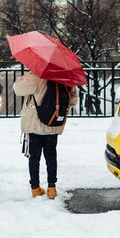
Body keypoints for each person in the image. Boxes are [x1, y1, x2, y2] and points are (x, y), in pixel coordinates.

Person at [13, 71, 78, 199]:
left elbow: (17, 89)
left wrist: (28, 74)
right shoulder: (64, 77)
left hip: (35, 126)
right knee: (51, 157)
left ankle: (35, 188)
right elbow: (73, 101)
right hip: (53, 126)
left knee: (34, 158)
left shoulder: (37, 77)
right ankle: (52, 188)